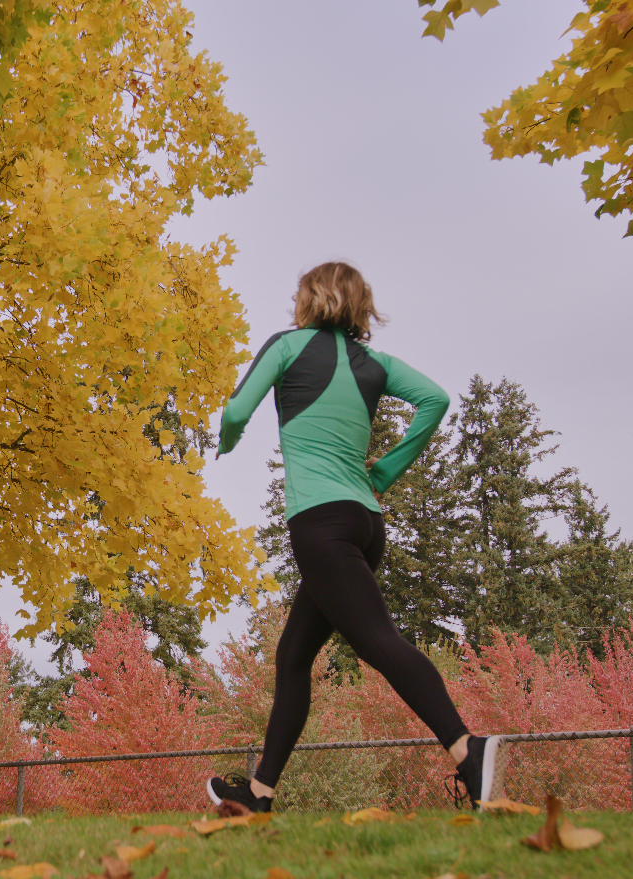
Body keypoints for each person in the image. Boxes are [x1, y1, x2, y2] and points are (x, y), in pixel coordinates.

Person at [205, 261, 506, 813]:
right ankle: (258, 794)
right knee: (293, 656)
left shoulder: (287, 346)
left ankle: (467, 748)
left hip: (320, 525)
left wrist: (224, 439)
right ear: (360, 305)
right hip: (365, 524)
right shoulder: (375, 362)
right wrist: (387, 470)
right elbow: (435, 399)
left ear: (308, 299)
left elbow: (235, 411)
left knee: (377, 641)